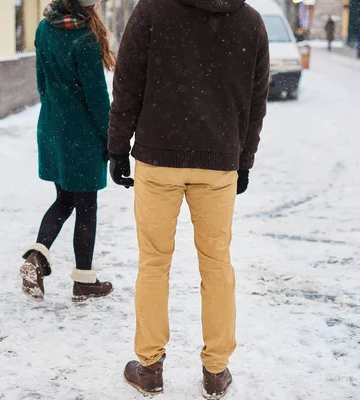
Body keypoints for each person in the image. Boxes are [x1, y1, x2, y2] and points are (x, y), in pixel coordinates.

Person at [107, 0, 269, 398]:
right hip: (218, 163)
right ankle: (216, 371)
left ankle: (149, 368)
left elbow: (128, 82)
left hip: (158, 158)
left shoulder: (152, 11)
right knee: (216, 264)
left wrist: (116, 146)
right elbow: (255, 103)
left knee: (154, 262)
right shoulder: (250, 23)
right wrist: (243, 159)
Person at [19, 0, 115, 302]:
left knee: (64, 200)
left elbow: (42, 83)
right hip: (82, 134)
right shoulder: (85, 38)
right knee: (86, 206)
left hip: (52, 126)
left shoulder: (45, 27)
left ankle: (35, 257)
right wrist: (113, 138)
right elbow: (97, 97)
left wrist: (57, 113)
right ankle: (84, 282)